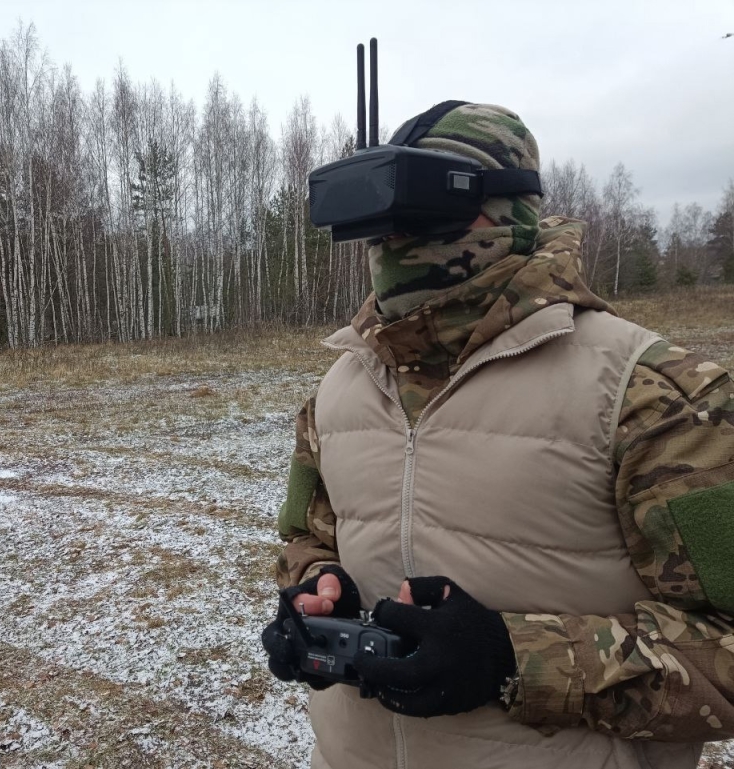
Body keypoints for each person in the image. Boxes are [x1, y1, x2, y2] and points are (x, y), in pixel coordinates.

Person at [261, 102, 734, 769]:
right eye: (383, 220)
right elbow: (307, 540)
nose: (396, 240)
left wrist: (513, 660)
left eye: (419, 211)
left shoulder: (654, 394)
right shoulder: (340, 389)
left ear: (503, 210)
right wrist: (318, 590)